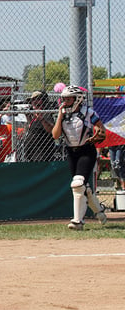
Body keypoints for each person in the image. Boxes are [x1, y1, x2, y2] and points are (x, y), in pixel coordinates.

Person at [51, 85, 108, 230]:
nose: (65, 102)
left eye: (69, 99)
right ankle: (100, 212)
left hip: (86, 150)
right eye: (63, 99)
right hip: (71, 152)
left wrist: (96, 136)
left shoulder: (88, 112)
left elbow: (102, 130)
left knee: (77, 184)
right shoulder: (62, 114)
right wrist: (59, 115)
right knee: (83, 186)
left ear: (78, 99)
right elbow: (55, 135)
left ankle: (78, 221)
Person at [22, 90, 60, 162]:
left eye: (37, 100)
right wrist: (28, 117)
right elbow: (32, 129)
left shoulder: (46, 113)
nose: (33, 102)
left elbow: (51, 130)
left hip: (42, 153)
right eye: (32, 100)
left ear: (43, 101)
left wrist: (41, 119)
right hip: (32, 152)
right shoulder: (35, 113)